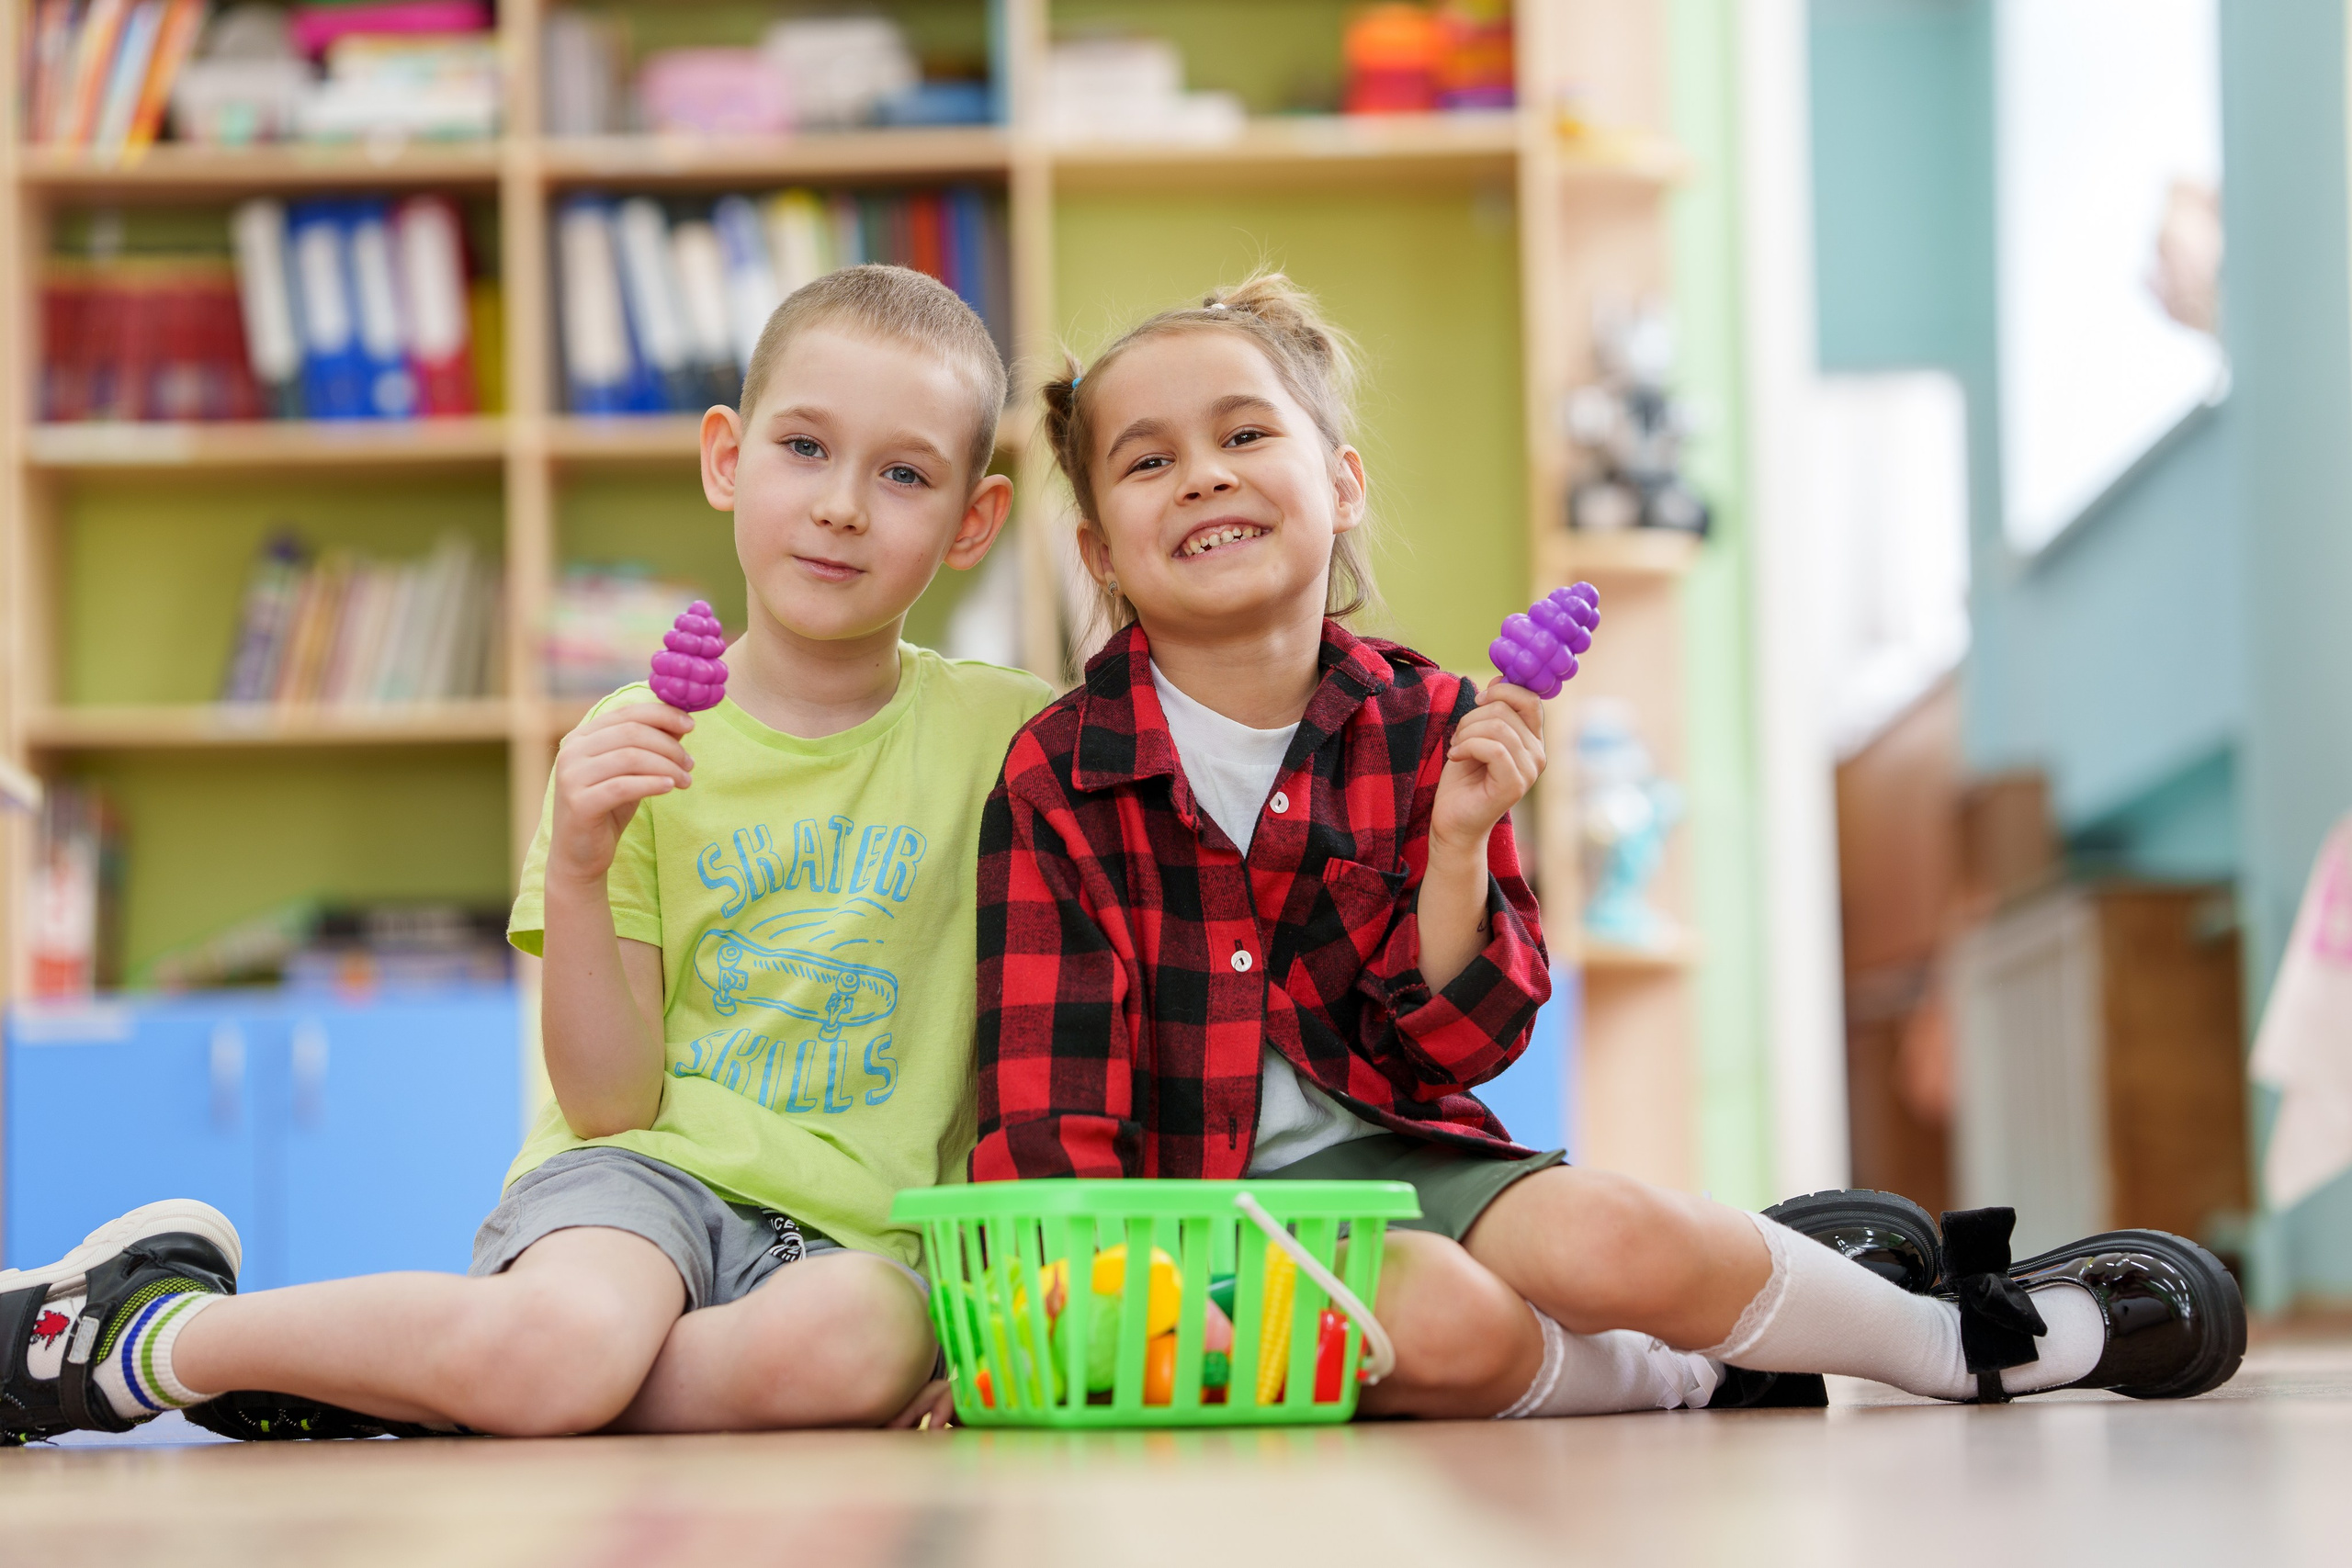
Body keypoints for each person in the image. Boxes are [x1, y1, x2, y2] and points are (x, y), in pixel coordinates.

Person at [969, 272, 2245, 1417]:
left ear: (1341, 481)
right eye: (1148, 462)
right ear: (1101, 554)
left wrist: (1460, 846)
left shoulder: (1428, 725)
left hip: (1410, 1152)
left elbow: (1470, 1045)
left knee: (1618, 1236)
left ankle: (1951, 1338)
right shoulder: (1058, 777)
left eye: (1245, 434)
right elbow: (1046, 1112)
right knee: (1438, 1316)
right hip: (1192, 1222)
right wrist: (1069, 1308)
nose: (1203, 473)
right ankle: (1695, 1367)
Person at [1, 265, 1053, 1443]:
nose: (843, 505)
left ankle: (435, 1379)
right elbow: (608, 1104)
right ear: (725, 458)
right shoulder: (624, 748)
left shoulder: (1017, 737)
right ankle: (138, 1333)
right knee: (564, 1346)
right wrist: (580, 870)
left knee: (854, 1349)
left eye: (903, 474)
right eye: (803, 447)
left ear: (974, 521)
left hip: (869, 1237)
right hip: (640, 1180)